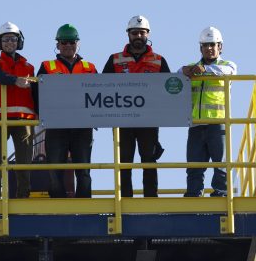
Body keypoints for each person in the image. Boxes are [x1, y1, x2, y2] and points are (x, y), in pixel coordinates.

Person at [102, 15, 170, 197]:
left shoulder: (159, 60)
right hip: (122, 119)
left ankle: (150, 198)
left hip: (149, 119)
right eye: (134, 33)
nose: (138, 36)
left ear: (147, 34)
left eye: (142, 32)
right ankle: (125, 198)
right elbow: (100, 87)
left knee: (149, 160)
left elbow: (169, 90)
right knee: (124, 161)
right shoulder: (115, 59)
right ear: (128, 35)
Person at [37, 24, 97, 198]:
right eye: (64, 42)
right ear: (57, 45)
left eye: (71, 42)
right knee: (54, 170)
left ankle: (84, 205)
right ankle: (59, 204)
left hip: (82, 126)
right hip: (57, 126)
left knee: (84, 171)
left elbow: (100, 93)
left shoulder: (90, 67)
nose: (68, 45)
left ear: (78, 43)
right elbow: (36, 93)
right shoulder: (47, 67)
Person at [181, 26, 237, 197]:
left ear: (220, 47)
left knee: (220, 164)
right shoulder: (192, 68)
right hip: (196, 124)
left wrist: (204, 70)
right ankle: (193, 195)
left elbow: (229, 72)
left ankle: (221, 193)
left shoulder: (227, 65)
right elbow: (177, 75)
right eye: (205, 45)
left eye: (213, 45)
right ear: (201, 48)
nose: (209, 48)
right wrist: (185, 71)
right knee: (194, 165)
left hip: (218, 123)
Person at [0, 21, 36, 199]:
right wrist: (15, 80)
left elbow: (36, 93)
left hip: (24, 119)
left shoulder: (29, 67)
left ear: (19, 41)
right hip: (0, 118)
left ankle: (23, 196)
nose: (9, 43)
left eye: (13, 39)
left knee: (24, 160)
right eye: (5, 39)